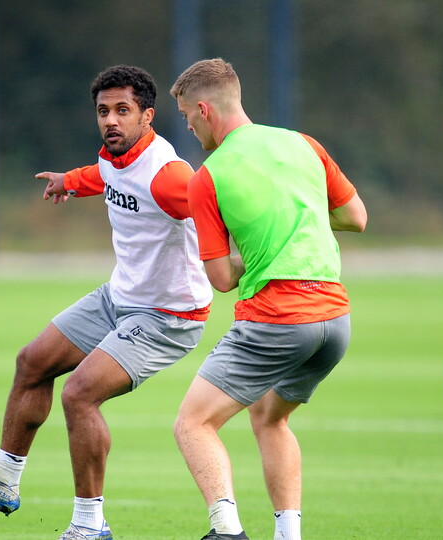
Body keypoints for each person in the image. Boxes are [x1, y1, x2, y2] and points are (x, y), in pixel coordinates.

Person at [0, 65, 213, 540]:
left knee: (79, 394)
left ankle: (89, 526)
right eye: (103, 111)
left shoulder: (168, 175)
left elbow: (215, 204)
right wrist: (70, 180)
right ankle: (2, 482)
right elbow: (105, 175)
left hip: (169, 316)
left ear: (147, 116)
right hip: (119, 297)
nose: (111, 120)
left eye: (123, 110)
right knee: (32, 361)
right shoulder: (115, 156)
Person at [169, 58, 368, 540]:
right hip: (335, 321)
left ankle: (226, 531)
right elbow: (355, 217)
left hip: (279, 318)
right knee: (269, 417)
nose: (189, 128)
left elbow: (221, 278)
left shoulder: (207, 177)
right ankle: (288, 535)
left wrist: (257, 255)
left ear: (204, 110)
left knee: (193, 423)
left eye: (188, 117)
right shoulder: (304, 144)